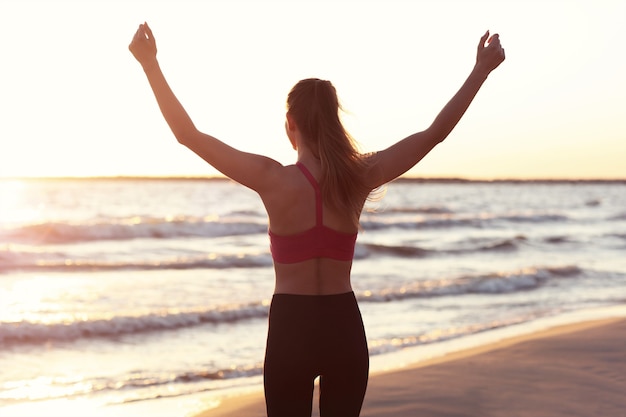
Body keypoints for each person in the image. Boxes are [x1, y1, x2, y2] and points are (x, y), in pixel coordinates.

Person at [129, 23, 505, 417]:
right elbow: (434, 134)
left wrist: (150, 65)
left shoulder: (271, 179)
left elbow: (187, 134)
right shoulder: (358, 176)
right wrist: (480, 71)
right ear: (333, 121)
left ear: (290, 124)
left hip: (291, 328)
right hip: (344, 326)